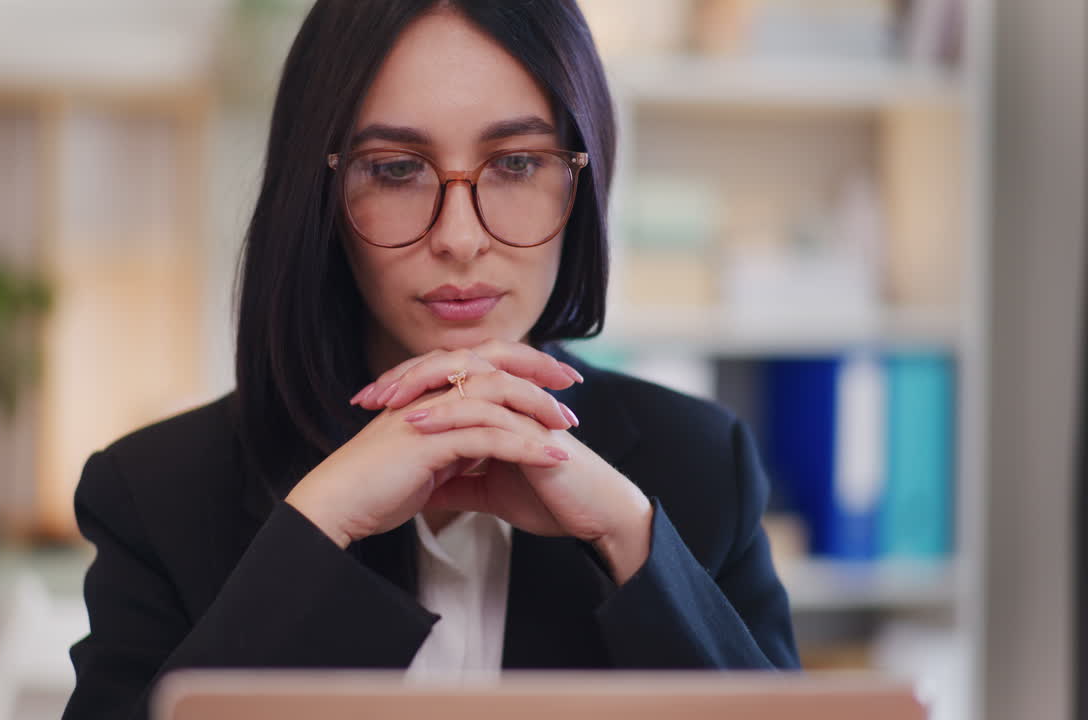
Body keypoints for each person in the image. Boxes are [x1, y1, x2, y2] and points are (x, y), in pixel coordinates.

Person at [62, 1, 800, 717]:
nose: (459, 237)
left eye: (515, 162)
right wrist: (316, 529)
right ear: (317, 194)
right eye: (395, 169)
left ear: (583, 178)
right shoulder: (155, 493)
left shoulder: (701, 466)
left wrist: (631, 542)